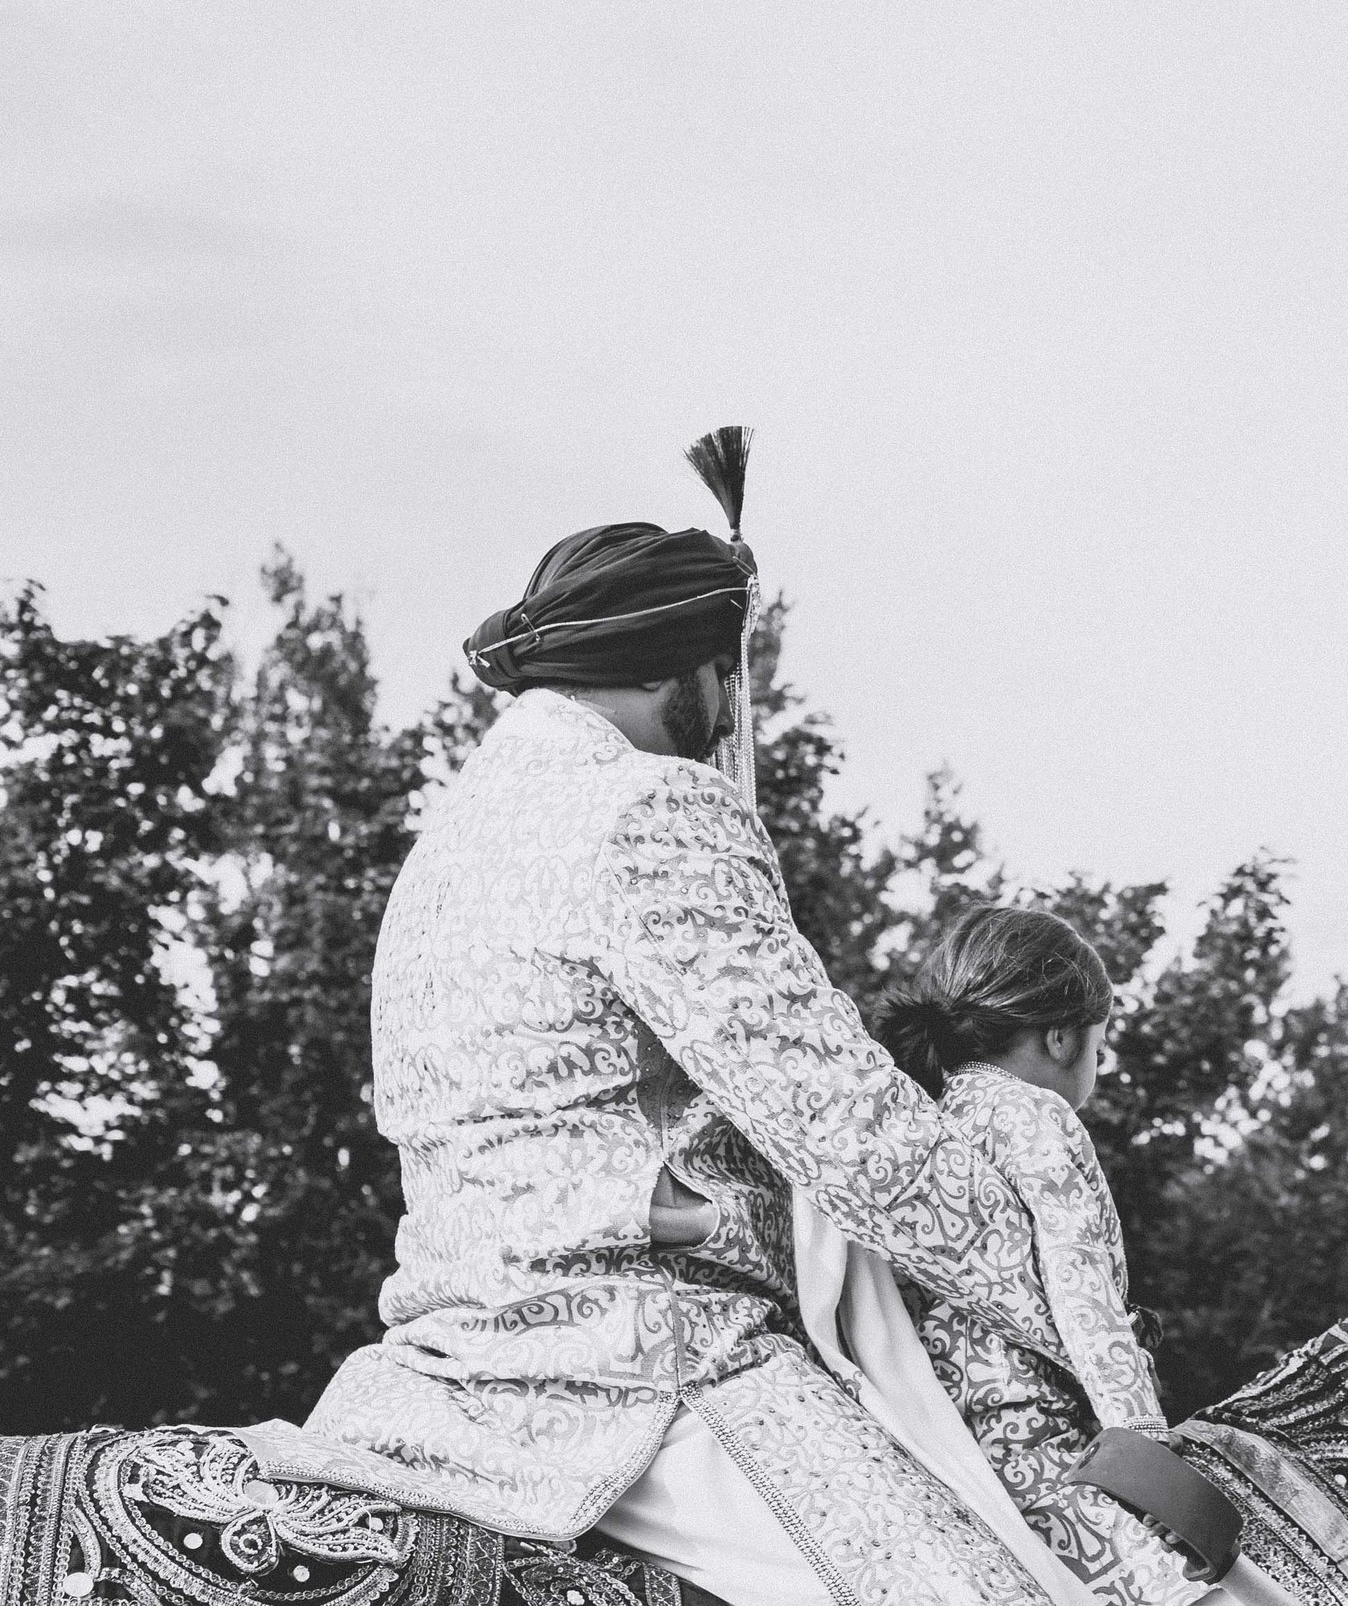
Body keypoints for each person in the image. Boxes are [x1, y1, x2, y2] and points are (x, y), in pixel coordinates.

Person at [239, 505, 1111, 1606]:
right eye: (725, 673)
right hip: (634, 1364)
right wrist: (1069, 1309)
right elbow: (849, 1131)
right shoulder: (648, 807)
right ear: (679, 669)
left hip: (436, 1355)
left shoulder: (451, 836)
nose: (731, 709)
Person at [863, 907, 1207, 1606]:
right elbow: (1084, 1293)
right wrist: (1144, 1444)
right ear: (1059, 1036)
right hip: (1043, 1450)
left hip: (940, 1447)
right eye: (1099, 1050)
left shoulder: (917, 1118)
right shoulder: (1036, 1115)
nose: (1096, 1071)